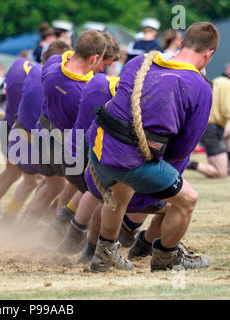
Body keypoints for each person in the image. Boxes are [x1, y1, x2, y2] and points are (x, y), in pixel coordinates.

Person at [87, 22, 219, 272]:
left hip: (99, 150)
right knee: (188, 200)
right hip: (130, 161)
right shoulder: (199, 86)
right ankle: (165, 258)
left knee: (119, 193)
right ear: (209, 54)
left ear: (181, 43)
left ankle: (104, 256)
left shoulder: (140, 62)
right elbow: (184, 147)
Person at [20, 30, 107, 226]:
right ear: (94, 58)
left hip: (42, 133)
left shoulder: (53, 65)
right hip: (63, 144)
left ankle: (24, 227)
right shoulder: (84, 91)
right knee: (78, 188)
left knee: (52, 185)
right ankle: (57, 231)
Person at [0, 40, 73, 222]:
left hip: (17, 135)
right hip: (33, 141)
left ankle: (8, 217)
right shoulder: (58, 83)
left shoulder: (28, 70)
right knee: (56, 182)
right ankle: (31, 223)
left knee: (30, 181)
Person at [0, 57, 34, 215]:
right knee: (33, 180)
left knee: (13, 174)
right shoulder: (30, 75)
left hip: (11, 127)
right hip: (16, 129)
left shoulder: (19, 67)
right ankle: (7, 216)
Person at [187, 61, 230, 178]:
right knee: (221, 173)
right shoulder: (226, 84)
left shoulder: (217, 81)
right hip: (212, 129)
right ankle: (188, 164)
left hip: (206, 126)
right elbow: (228, 112)